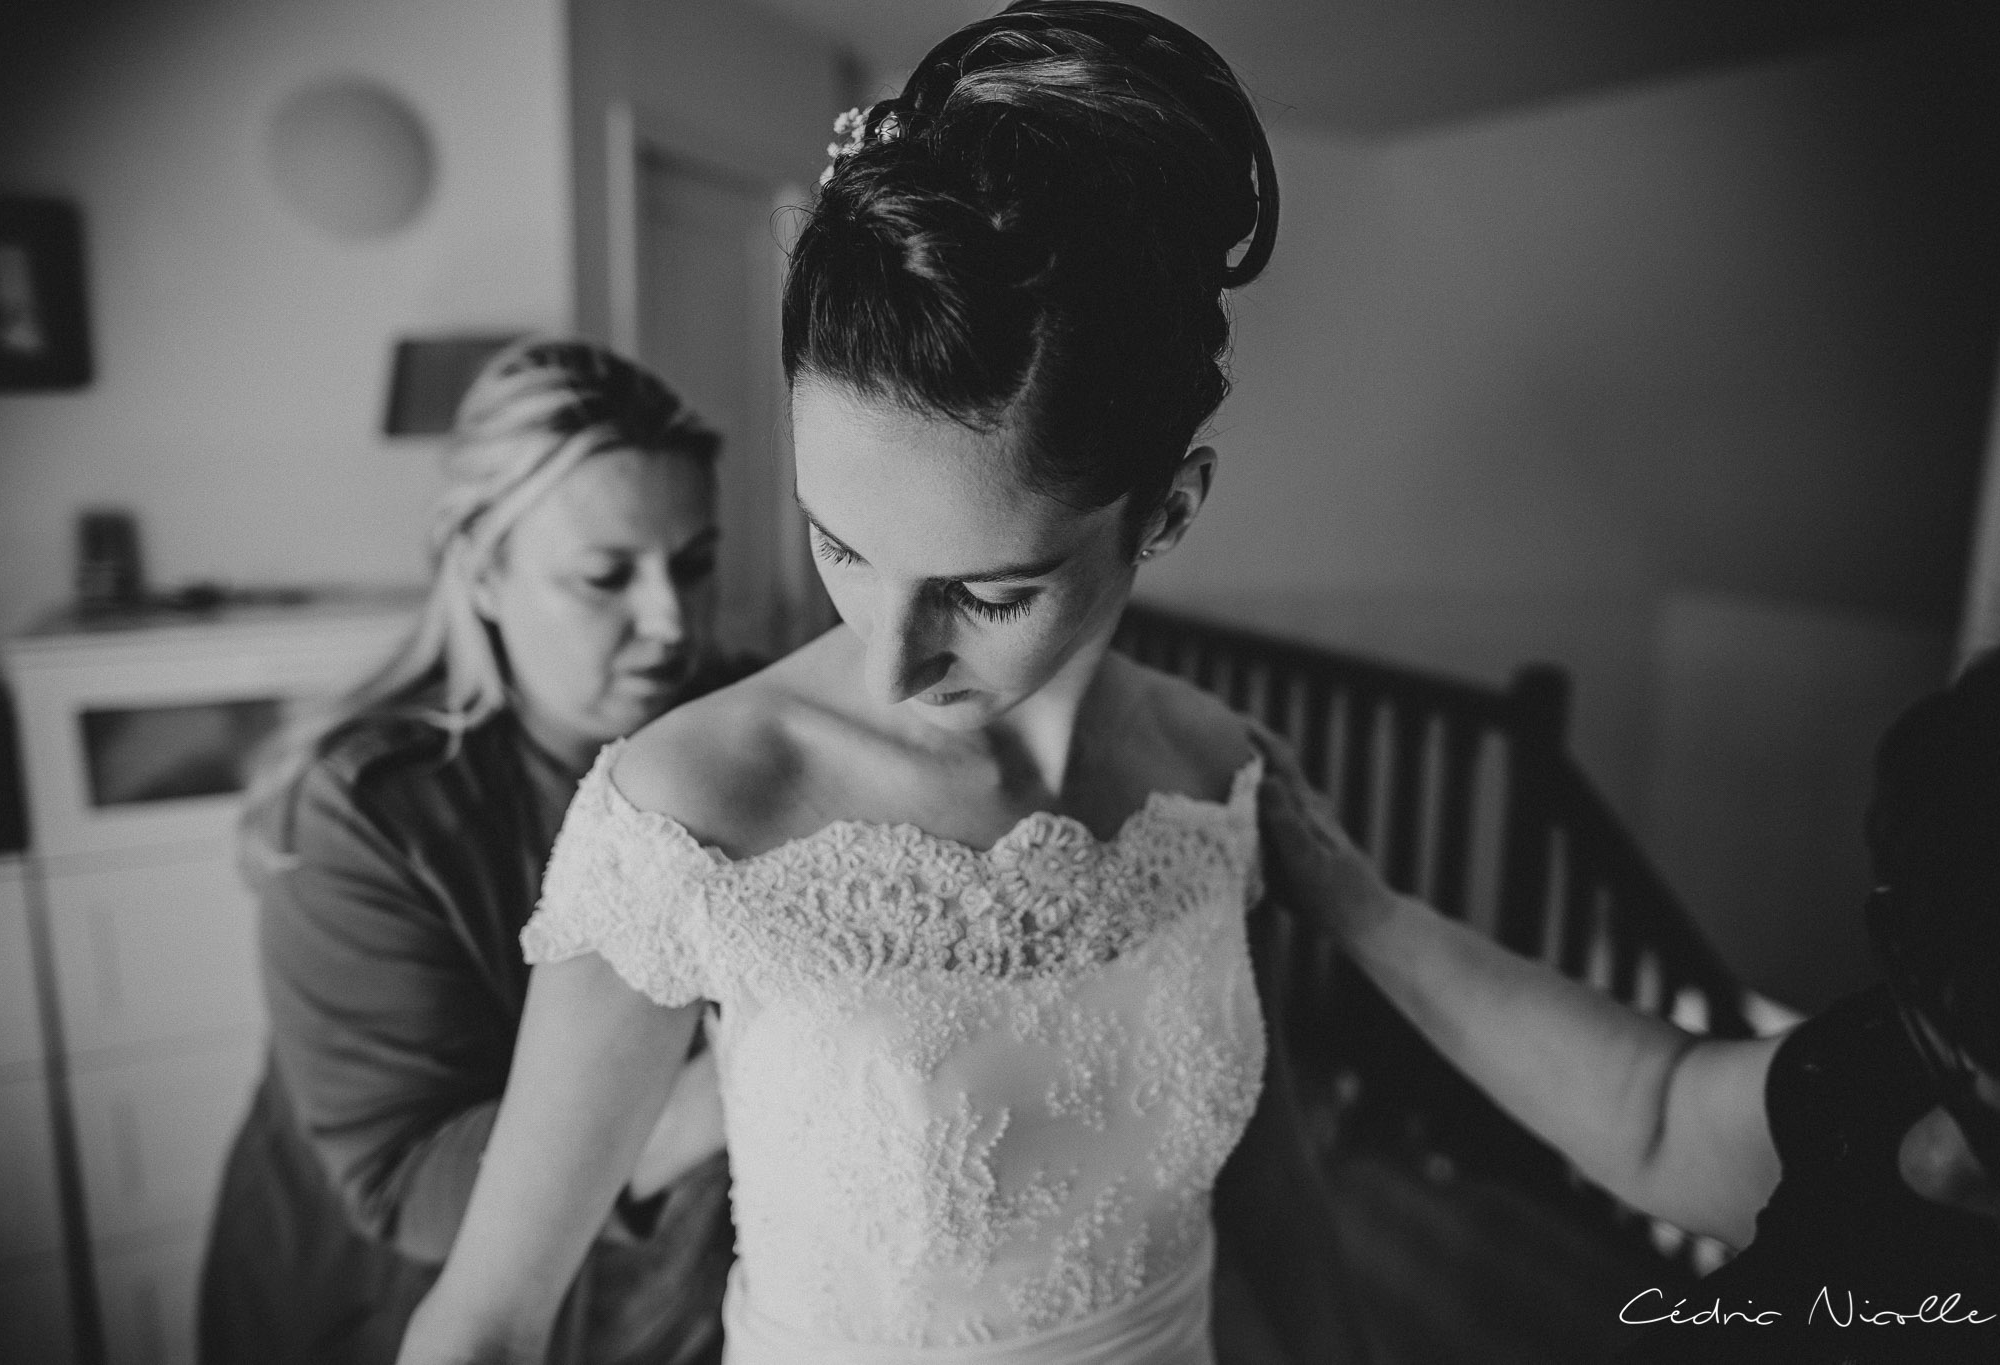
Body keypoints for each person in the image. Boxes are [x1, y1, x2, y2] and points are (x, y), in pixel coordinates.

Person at [395, 6, 1365, 1364]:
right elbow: (488, 1321)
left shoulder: (1210, 770)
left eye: (988, 589)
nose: (890, 653)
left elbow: (1265, 1183)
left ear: (1169, 508)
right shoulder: (686, 812)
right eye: (837, 542)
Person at [1255, 629, 2000, 1362]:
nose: (1929, 1157)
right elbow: (1656, 1112)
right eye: (1941, 1059)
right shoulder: (1921, 1053)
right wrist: (1361, 908)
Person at [199, 339, 751, 1365]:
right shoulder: (361, 815)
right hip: (393, 1301)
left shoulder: (744, 727)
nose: (670, 620)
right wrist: (745, 1077)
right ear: (483, 573)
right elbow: (404, 1177)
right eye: (603, 576)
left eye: (694, 562)